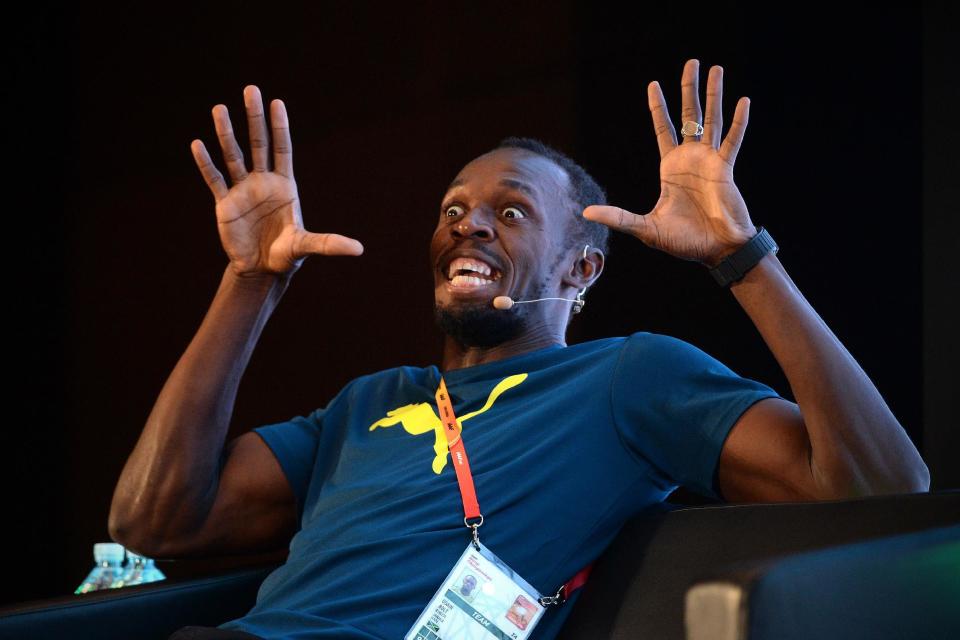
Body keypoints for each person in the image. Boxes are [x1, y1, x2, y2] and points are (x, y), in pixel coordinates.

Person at [108, 58, 930, 640]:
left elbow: (882, 484)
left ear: (582, 266)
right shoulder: (368, 402)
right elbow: (154, 521)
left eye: (510, 213)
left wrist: (740, 257)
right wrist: (249, 282)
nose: (468, 222)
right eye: (454, 207)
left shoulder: (625, 377)